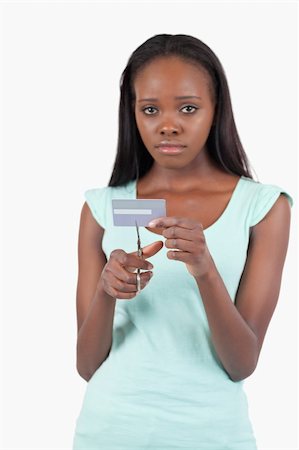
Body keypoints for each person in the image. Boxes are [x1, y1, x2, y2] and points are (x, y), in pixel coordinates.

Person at [72, 34, 293, 450]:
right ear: (132, 114)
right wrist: (107, 289)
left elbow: (241, 363)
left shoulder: (263, 207)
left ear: (216, 111)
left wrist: (204, 270)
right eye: (150, 109)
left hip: (213, 435)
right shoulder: (102, 208)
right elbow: (87, 365)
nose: (168, 124)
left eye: (188, 108)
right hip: (109, 432)